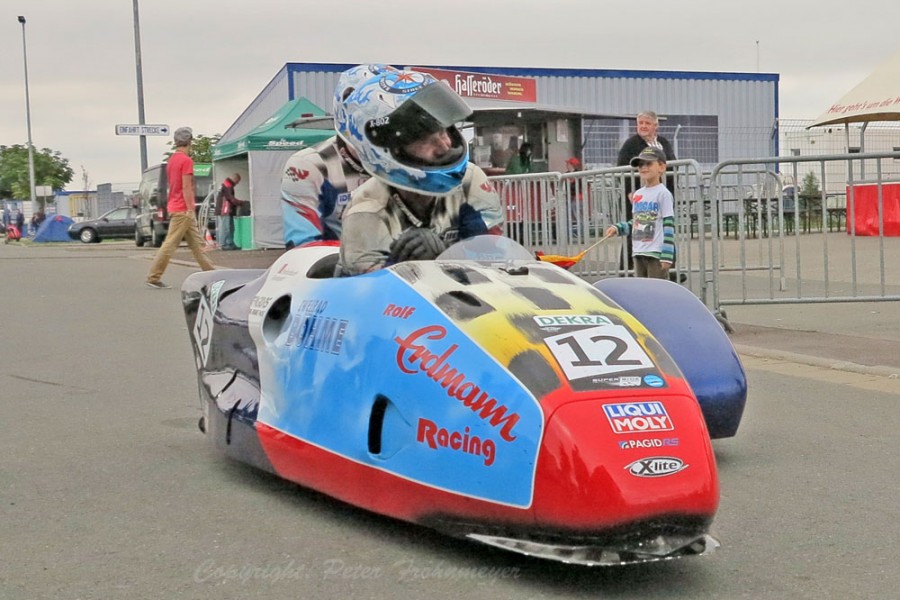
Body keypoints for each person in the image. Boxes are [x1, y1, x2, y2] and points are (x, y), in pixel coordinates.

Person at [337, 70, 504, 276]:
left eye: (443, 131)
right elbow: (368, 296)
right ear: (389, 148)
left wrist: (445, 256)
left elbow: (496, 260)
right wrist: (400, 264)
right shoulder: (364, 213)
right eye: (425, 139)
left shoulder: (469, 180)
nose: (444, 145)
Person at [280, 64, 398, 248]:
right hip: (344, 272)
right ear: (347, 116)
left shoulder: (417, 159)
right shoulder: (310, 165)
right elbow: (303, 249)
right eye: (374, 119)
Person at [146, 127, 214, 289]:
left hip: (174, 205)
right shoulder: (186, 161)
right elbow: (186, 187)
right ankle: (153, 277)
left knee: (197, 245)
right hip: (183, 209)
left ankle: (212, 275)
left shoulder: (171, 161)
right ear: (190, 141)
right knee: (170, 244)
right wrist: (191, 208)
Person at [616, 110, 678, 277]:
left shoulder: (663, 143)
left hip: (661, 192)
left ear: (655, 126)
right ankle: (629, 269)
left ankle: (667, 268)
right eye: (640, 123)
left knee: (665, 228)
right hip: (640, 196)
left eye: (647, 123)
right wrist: (630, 190)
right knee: (639, 230)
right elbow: (621, 168)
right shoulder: (631, 144)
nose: (643, 126)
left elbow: (673, 164)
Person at [605, 147, 674, 279]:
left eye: (649, 164)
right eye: (641, 164)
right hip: (638, 251)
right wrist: (619, 228)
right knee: (642, 288)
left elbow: (669, 223)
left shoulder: (663, 194)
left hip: (656, 252)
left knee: (656, 290)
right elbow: (638, 221)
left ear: (661, 167)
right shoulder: (638, 194)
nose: (644, 168)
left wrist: (667, 254)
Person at [214, 173, 242, 250]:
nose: (237, 183)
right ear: (235, 179)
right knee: (226, 227)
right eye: (238, 181)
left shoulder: (225, 184)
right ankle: (224, 244)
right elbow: (230, 198)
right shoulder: (228, 185)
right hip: (224, 210)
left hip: (225, 209)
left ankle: (229, 243)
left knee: (230, 227)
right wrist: (240, 203)